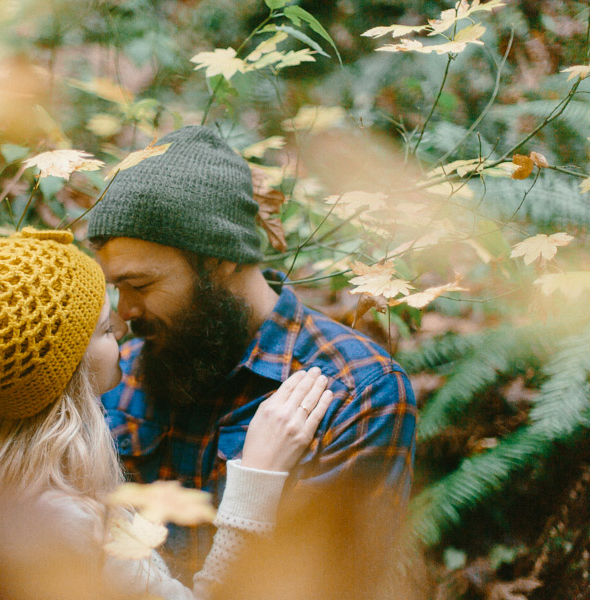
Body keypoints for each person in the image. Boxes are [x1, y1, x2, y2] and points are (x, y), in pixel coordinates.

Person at [0, 227, 333, 599]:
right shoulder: (66, 522)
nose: (121, 323)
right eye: (103, 329)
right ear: (67, 370)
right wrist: (256, 479)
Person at [87, 125, 417, 581]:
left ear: (221, 259)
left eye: (140, 285)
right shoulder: (127, 371)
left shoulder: (358, 393)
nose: (125, 312)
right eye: (116, 287)